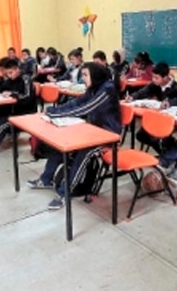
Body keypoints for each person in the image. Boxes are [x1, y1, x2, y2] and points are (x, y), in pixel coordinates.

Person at [27, 63, 122, 211]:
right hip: (92, 131)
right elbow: (77, 102)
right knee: (59, 145)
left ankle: (64, 193)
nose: (82, 78)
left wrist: (56, 114)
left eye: (85, 75)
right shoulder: (93, 88)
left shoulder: (107, 89)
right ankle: (46, 179)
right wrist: (54, 110)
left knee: (82, 154)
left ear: (95, 75)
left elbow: (86, 108)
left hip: (108, 136)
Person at [127, 62, 177, 151]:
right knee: (141, 135)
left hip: (170, 121)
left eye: (156, 78)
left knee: (157, 136)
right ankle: (163, 151)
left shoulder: (175, 89)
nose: (153, 80)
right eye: (153, 77)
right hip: (157, 116)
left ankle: (167, 151)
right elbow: (144, 91)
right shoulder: (155, 84)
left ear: (165, 77)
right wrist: (132, 96)